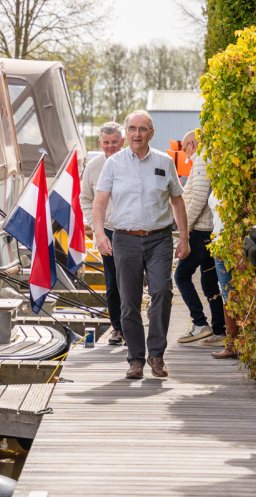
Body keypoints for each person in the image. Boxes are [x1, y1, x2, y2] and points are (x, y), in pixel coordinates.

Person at [92, 110, 189, 380]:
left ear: (151, 133)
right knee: (128, 301)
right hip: (124, 239)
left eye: (143, 129)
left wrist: (184, 237)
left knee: (162, 292)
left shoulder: (165, 162)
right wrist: (100, 235)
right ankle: (135, 359)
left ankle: (156, 354)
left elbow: (177, 201)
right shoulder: (113, 164)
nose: (137, 134)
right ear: (126, 133)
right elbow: (99, 203)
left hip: (159, 238)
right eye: (133, 129)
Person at [172, 130, 227, 345]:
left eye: (184, 147)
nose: (184, 152)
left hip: (201, 231)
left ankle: (199, 323)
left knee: (181, 275)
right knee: (209, 282)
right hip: (207, 231)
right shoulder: (204, 161)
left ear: (192, 144)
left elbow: (198, 199)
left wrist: (184, 229)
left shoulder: (202, 161)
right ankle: (219, 330)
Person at [81, 122, 125, 345]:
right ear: (100, 143)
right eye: (106, 143)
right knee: (112, 282)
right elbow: (85, 199)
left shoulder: (131, 161)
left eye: (114, 142)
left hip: (131, 229)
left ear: (122, 142)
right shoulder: (93, 167)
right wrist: (96, 228)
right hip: (107, 230)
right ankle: (117, 328)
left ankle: (132, 326)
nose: (110, 146)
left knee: (132, 280)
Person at [207, 189, 242, 359]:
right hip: (220, 244)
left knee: (230, 293)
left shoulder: (230, 182)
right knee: (228, 292)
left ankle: (234, 344)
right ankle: (234, 343)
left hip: (228, 245)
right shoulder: (218, 181)